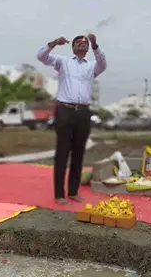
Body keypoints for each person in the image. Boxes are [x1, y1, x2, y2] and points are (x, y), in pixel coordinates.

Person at [37, 34, 107, 205]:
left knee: (79, 152)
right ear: (73, 47)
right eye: (78, 42)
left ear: (88, 48)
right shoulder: (63, 61)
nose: (82, 44)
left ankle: (73, 191)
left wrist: (95, 44)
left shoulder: (92, 66)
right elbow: (41, 56)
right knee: (62, 151)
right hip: (65, 110)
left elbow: (103, 64)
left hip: (83, 112)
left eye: (85, 43)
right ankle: (59, 194)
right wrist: (54, 43)